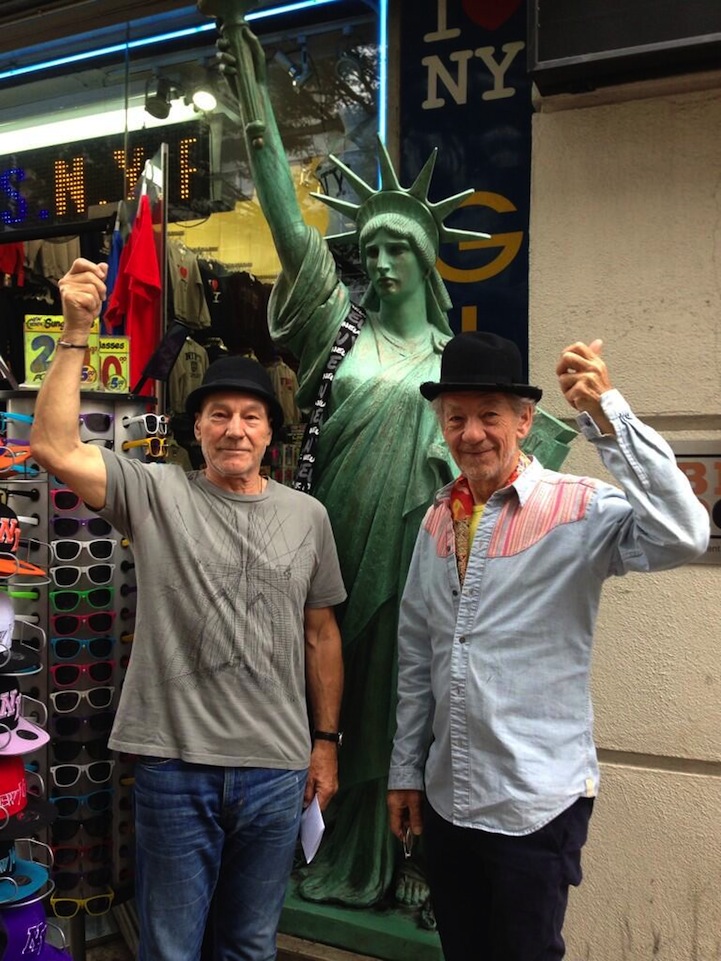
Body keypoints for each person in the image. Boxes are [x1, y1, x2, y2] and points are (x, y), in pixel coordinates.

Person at [197, 0, 494, 908]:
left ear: (428, 261)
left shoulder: (452, 363)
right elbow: (289, 228)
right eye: (373, 246)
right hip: (334, 538)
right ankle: (329, 846)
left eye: (400, 247)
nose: (384, 260)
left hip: (419, 550)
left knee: (412, 687)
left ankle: (405, 857)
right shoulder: (340, 327)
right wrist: (254, 104)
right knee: (335, 683)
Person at [29, 258, 347, 961]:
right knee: (170, 948)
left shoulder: (309, 517)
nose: (235, 429)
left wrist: (325, 742)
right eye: (219, 415)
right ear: (195, 427)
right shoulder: (156, 493)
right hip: (175, 767)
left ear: (271, 432)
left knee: (250, 946)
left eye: (251, 416)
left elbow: (320, 634)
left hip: (275, 769)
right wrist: (76, 329)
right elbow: (52, 445)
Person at [386, 331, 709, 961]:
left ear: (525, 421)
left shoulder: (578, 508)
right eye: (455, 418)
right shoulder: (437, 518)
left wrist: (608, 414)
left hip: (534, 805)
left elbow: (684, 534)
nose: (471, 433)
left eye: (489, 415)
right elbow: (417, 656)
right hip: (447, 800)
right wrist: (404, 773)